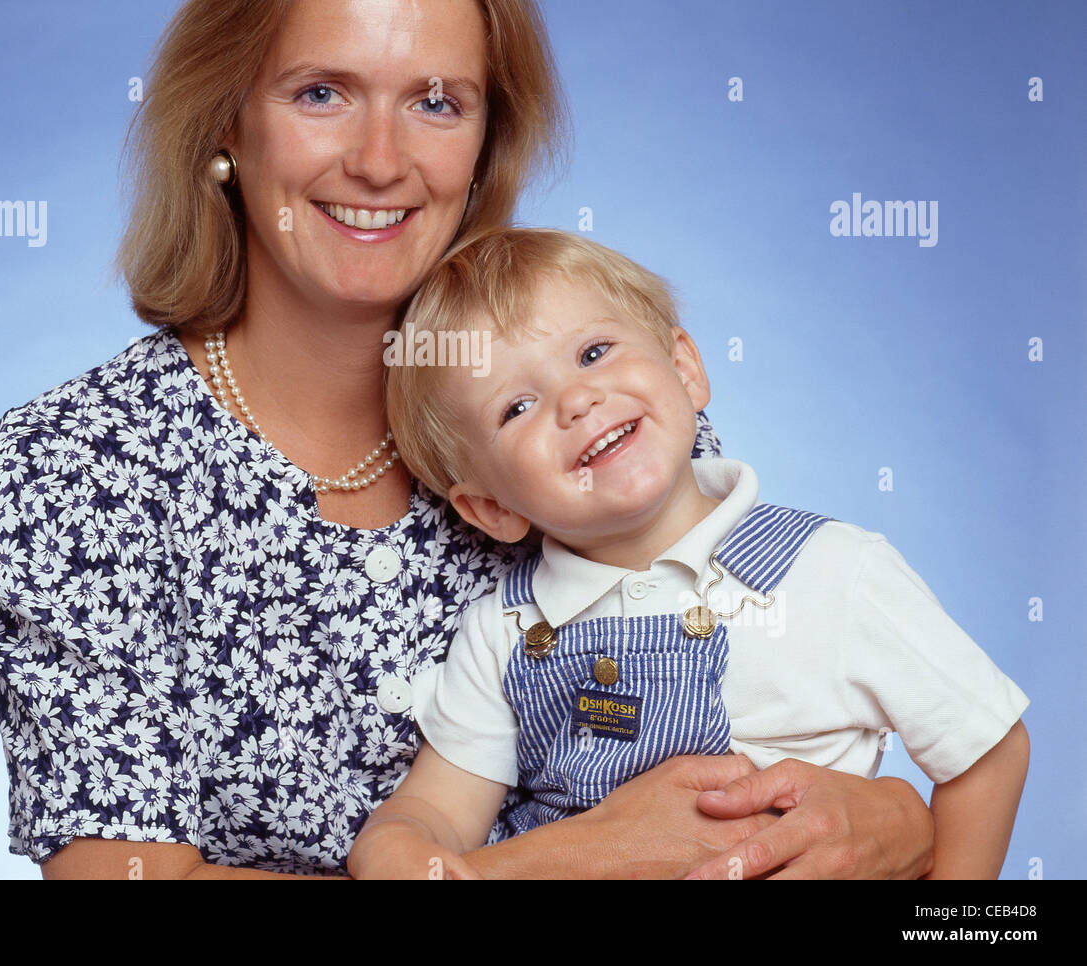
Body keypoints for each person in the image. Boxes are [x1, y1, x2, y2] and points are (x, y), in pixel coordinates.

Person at [0, 0, 936, 879]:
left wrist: (898, 816)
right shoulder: (75, 469)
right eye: (322, 92)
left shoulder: (591, 405)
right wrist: (577, 855)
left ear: (482, 147)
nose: (380, 161)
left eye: (435, 102)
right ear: (224, 124)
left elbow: (772, 756)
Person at [348, 228, 1030, 880]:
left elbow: (988, 748)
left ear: (684, 368)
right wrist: (395, 845)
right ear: (491, 507)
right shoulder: (506, 631)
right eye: (517, 405)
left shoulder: (833, 570)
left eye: (592, 353)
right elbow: (437, 809)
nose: (578, 399)